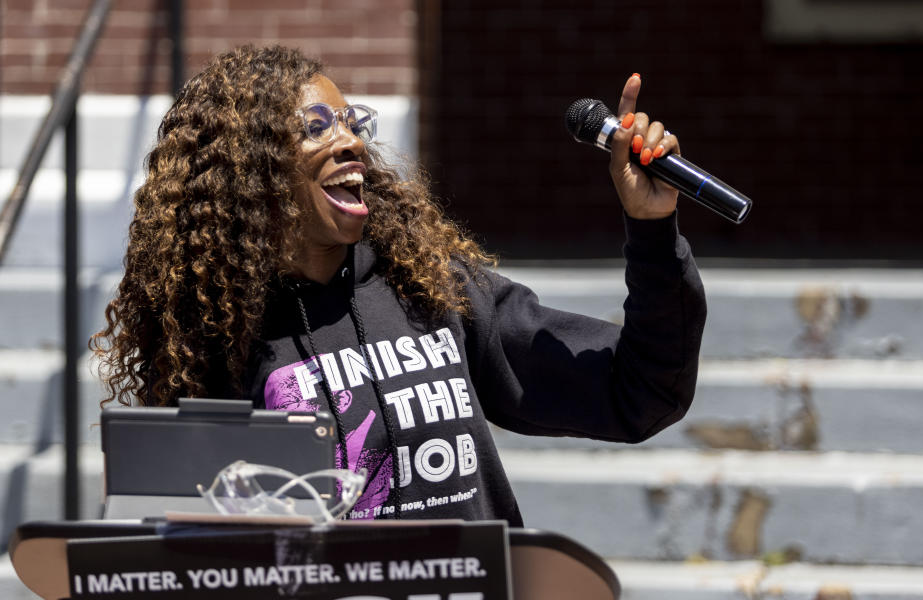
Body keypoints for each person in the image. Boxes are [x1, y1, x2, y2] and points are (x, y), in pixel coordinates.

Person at [91, 45, 707, 526]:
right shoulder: (222, 337)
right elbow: (198, 545)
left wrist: (651, 231)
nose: (351, 140)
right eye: (315, 127)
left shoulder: (433, 290)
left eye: (350, 121)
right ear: (251, 171)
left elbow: (641, 391)